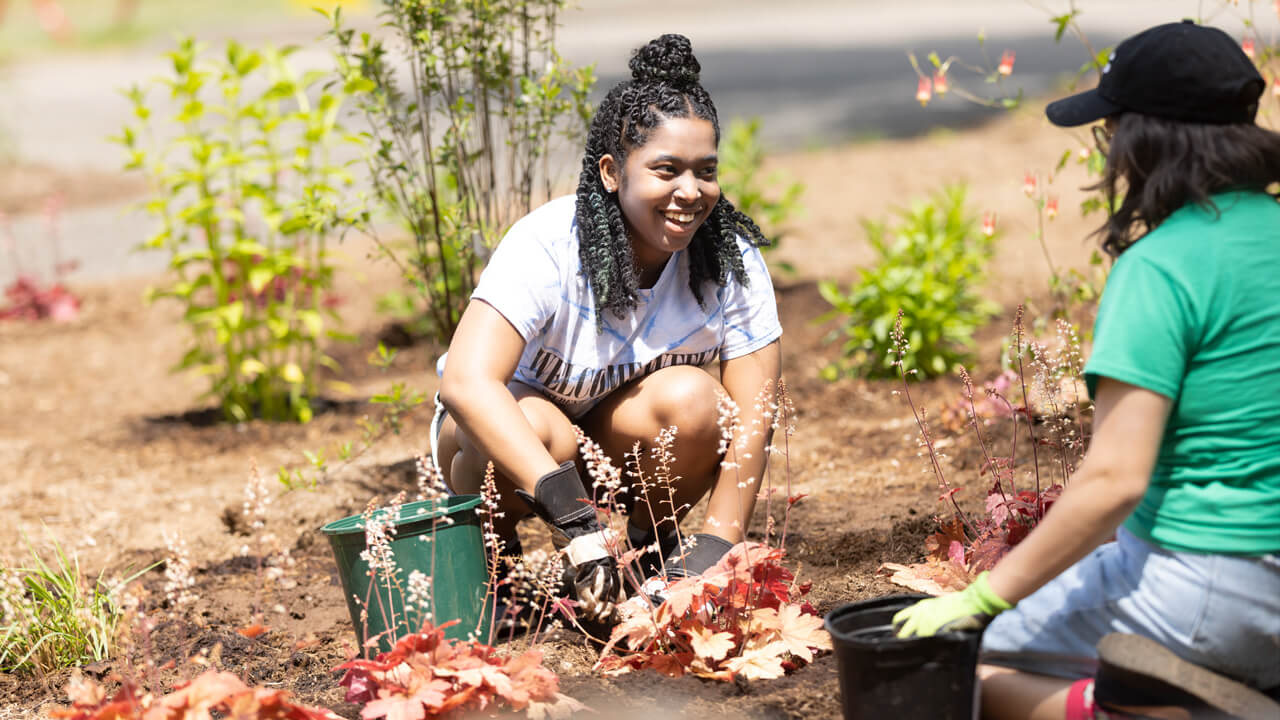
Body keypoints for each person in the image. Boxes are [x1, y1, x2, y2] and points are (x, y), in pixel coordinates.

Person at [892, 20, 1280, 720]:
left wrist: (982, 598)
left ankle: (1157, 712)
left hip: (1211, 584)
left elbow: (1114, 480)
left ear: (1140, 138)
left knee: (965, 669)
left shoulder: (1161, 267)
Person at [433, 34, 782, 625]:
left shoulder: (730, 259)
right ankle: (494, 564)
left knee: (699, 402)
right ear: (612, 172)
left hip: (609, 441)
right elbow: (466, 384)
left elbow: (754, 413)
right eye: (666, 170)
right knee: (543, 426)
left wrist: (718, 546)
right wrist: (577, 523)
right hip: (500, 445)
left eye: (706, 171)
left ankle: (648, 563)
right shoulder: (547, 245)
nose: (690, 192)